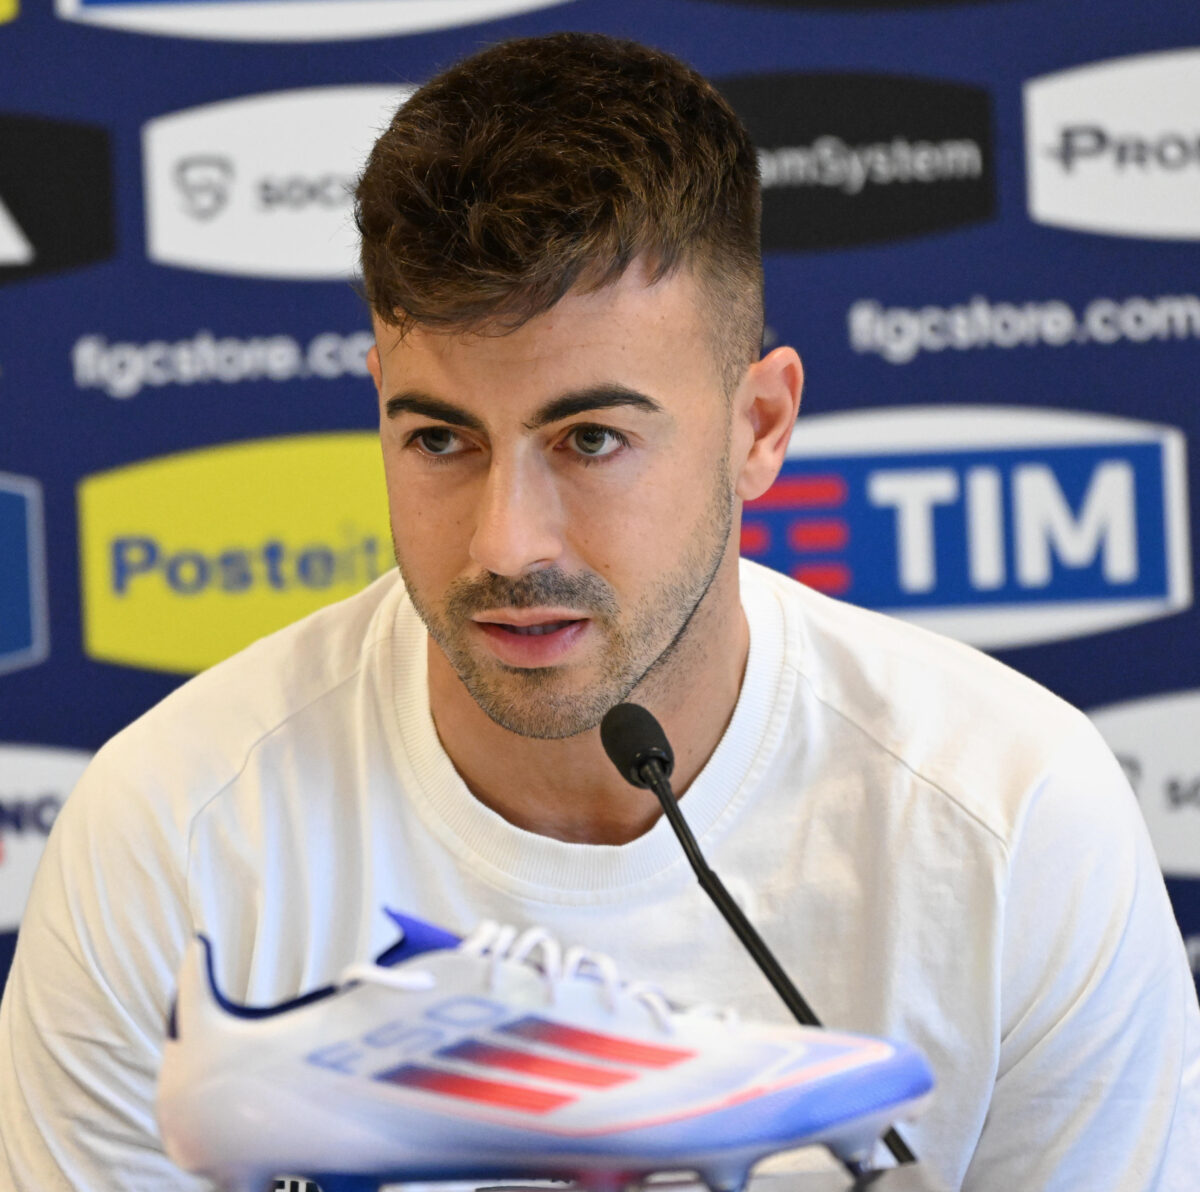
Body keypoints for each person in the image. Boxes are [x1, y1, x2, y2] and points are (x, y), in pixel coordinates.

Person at [1, 31, 1197, 1192]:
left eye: (590, 438)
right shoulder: (172, 834)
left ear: (759, 426)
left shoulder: (1013, 816)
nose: (505, 544)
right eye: (440, 439)